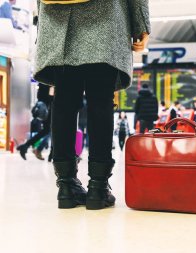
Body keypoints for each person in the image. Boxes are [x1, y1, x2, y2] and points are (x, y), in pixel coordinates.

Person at [33, 0, 151, 210]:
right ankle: (98, 187)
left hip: (58, 18)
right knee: (101, 101)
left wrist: (42, 26)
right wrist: (140, 23)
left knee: (64, 103)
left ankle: (66, 186)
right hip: (105, 17)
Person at [17, 83, 53, 161]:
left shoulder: (42, 79)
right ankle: (31, 147)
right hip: (47, 109)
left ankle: (25, 146)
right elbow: (49, 95)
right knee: (49, 130)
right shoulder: (48, 81)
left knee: (47, 130)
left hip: (45, 108)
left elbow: (41, 95)